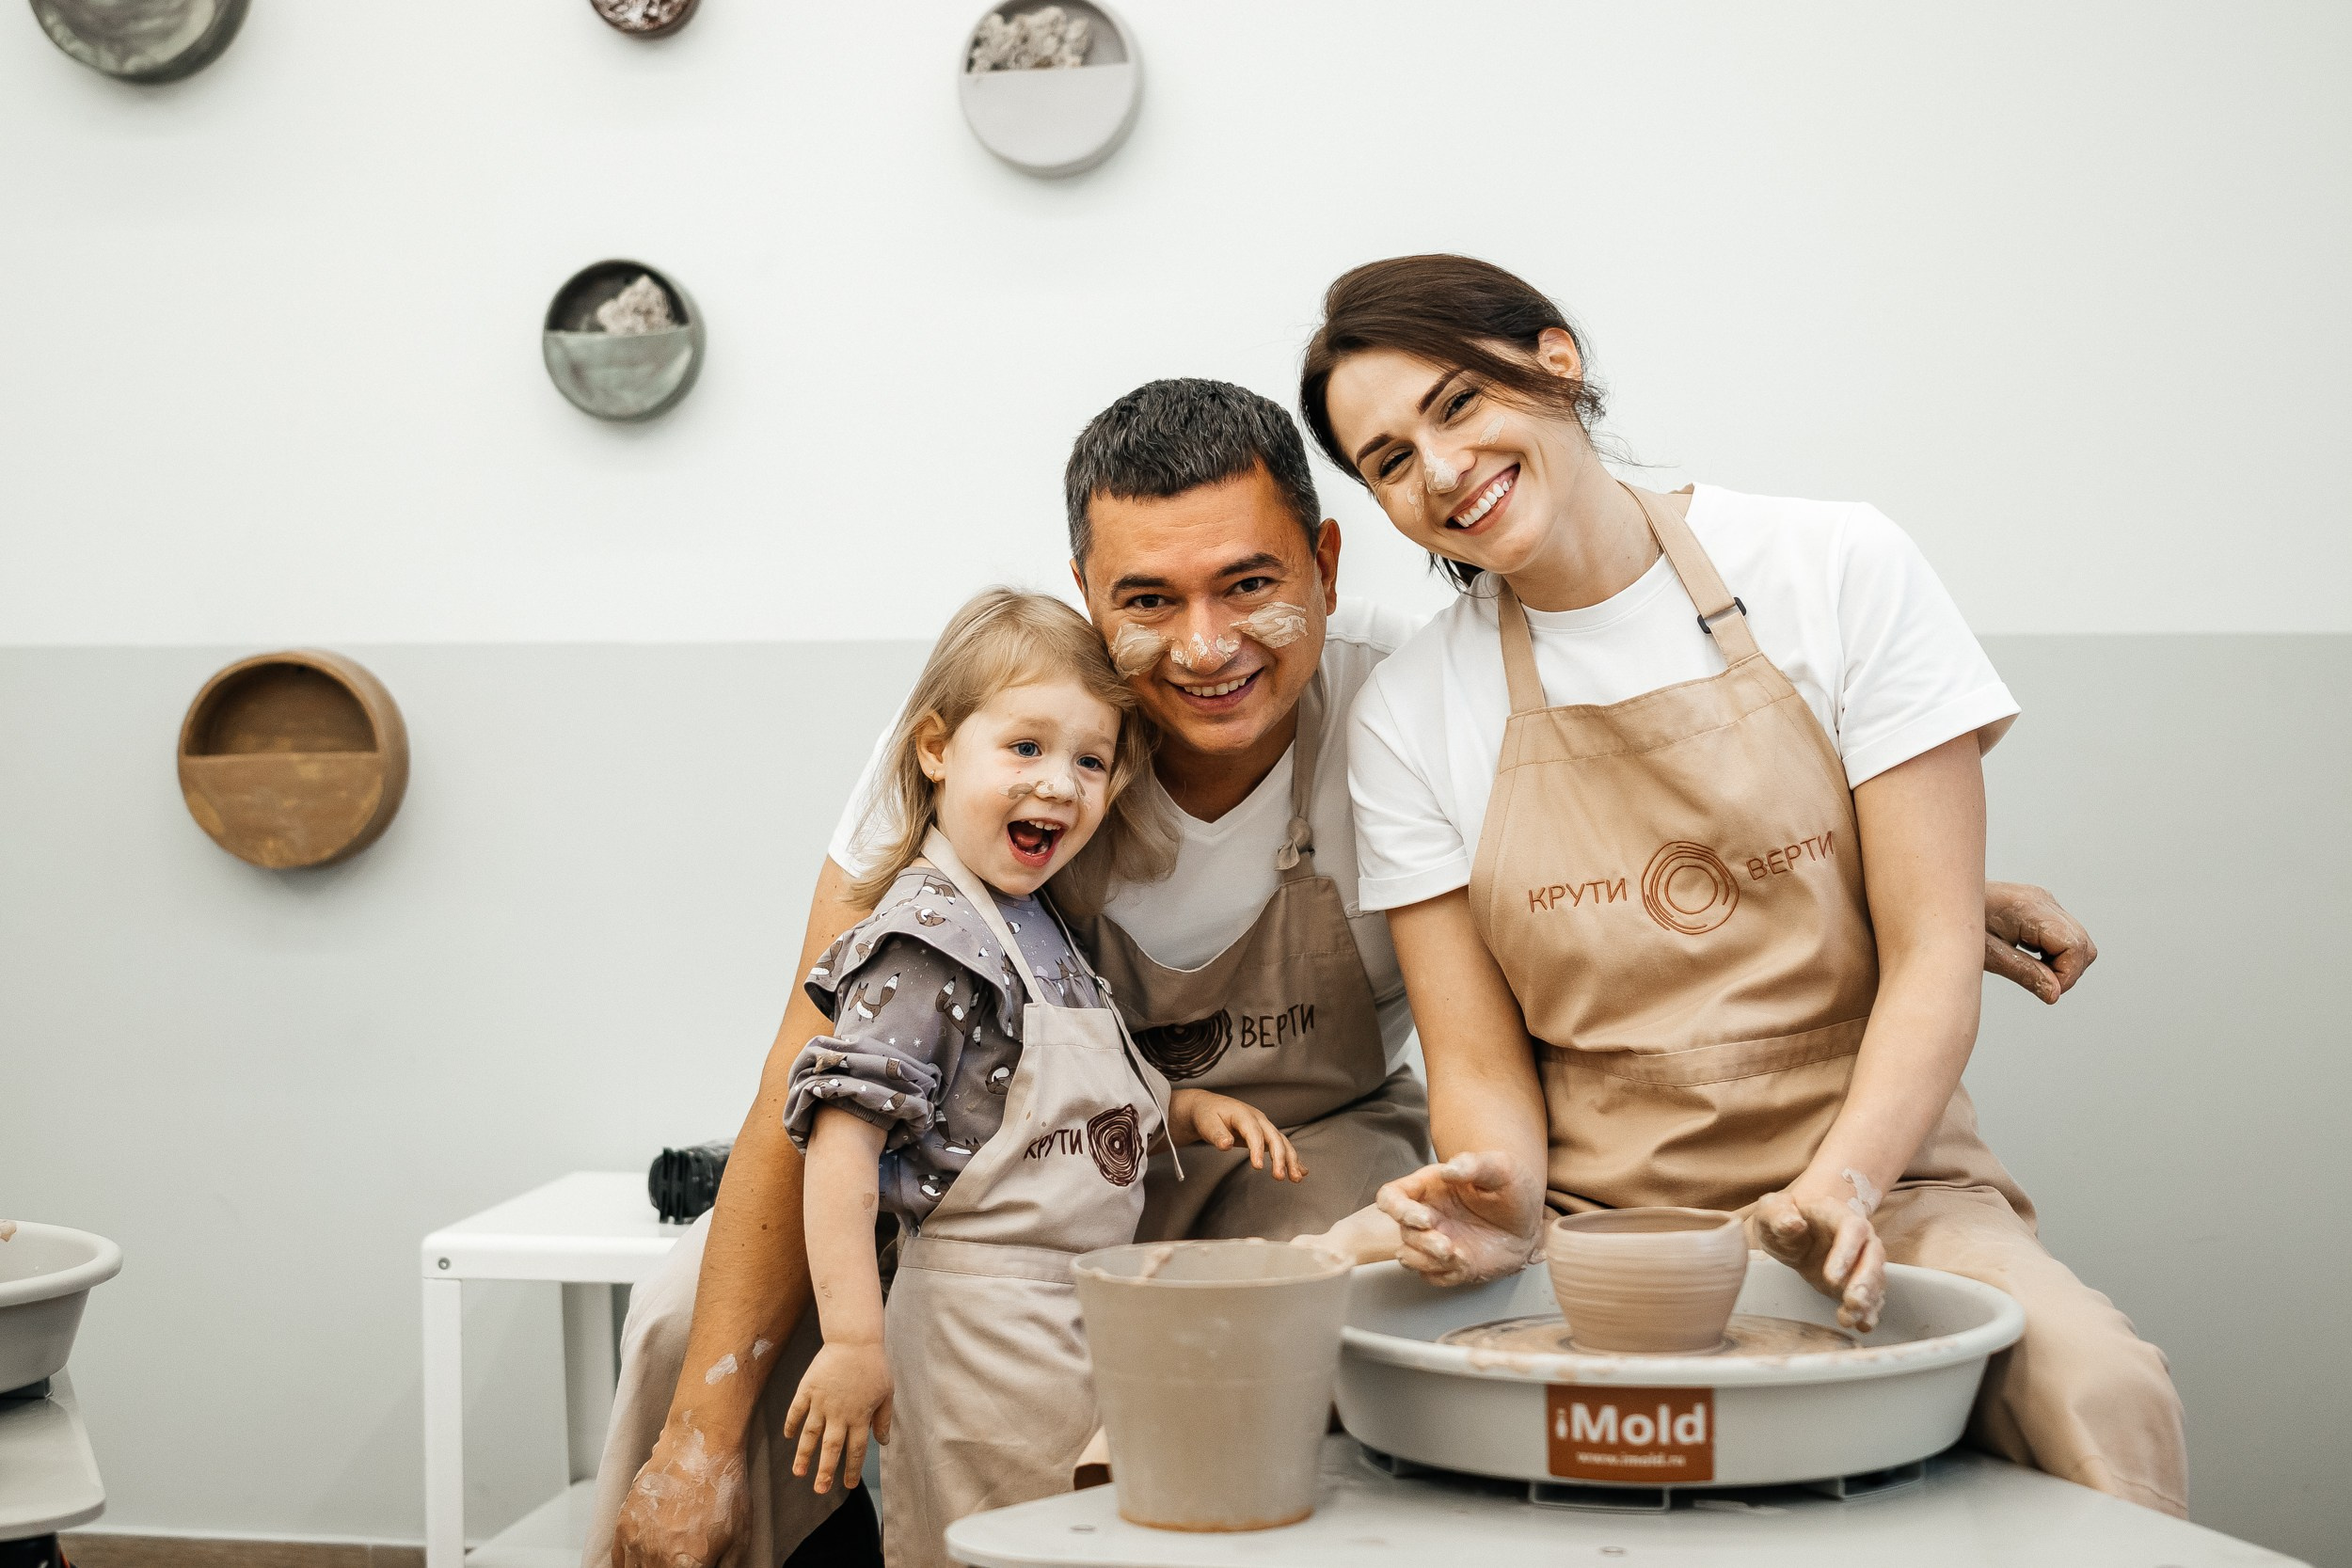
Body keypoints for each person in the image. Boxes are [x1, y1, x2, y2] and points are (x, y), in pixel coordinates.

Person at [584, 378, 2106, 1568]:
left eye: (1250, 583)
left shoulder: (1410, 695)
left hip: (1307, 1142)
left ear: (1324, 556)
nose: (1206, 646)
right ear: (1084, 587)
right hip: (995, 1169)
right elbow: (818, 1048)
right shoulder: (1009, 735)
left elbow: (1658, 845)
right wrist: (703, 1439)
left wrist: (1923, 888)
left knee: (1319, 1327)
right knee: (680, 1338)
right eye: (1148, 599)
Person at [1292, 254, 2186, 1515]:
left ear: (1555, 361)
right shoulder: (1412, 711)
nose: (1437, 469)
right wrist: (1497, 1194)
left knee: (2100, 1383)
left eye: (1455, 404)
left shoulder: (1836, 563)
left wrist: (1848, 1182)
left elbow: (1933, 950)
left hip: (1895, 1179)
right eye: (1388, 459)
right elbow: (1480, 1061)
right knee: (1285, 1323)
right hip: (1599, 1212)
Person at [778, 589, 1299, 1568]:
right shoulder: (927, 942)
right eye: (1025, 747)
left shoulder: (1036, 922)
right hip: (976, 1337)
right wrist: (852, 1339)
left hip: (1067, 1318)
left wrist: (1184, 1110)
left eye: (1089, 759)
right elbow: (840, 1146)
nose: (1058, 783)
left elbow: (1077, 1104)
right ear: (936, 747)